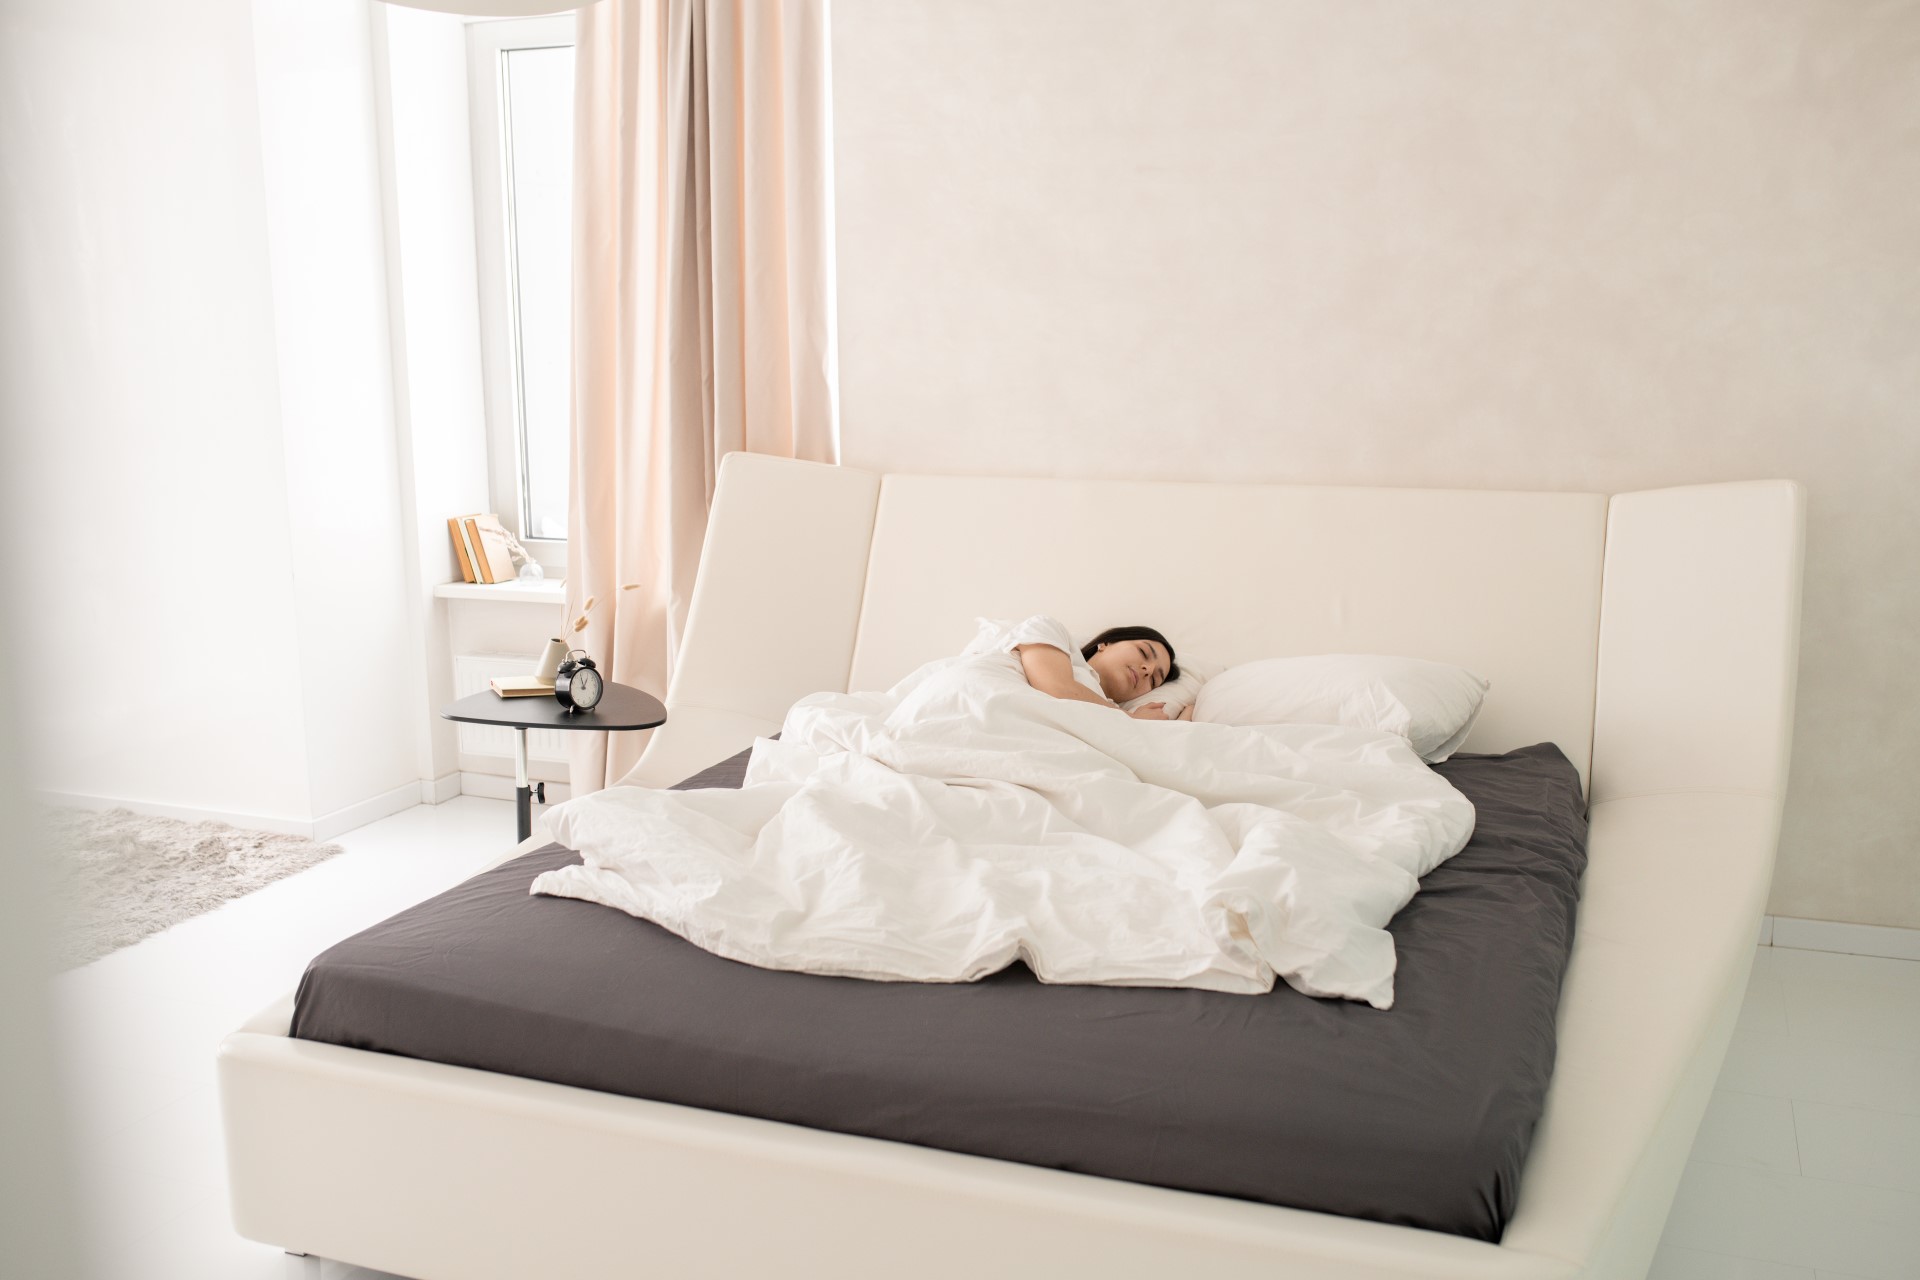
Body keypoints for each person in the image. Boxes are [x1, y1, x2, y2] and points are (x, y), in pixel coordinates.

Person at [969, 616, 1186, 720]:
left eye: (1155, 680)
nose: (1147, 669)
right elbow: (1056, 687)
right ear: (1106, 643)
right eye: (1144, 653)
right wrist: (1130, 719)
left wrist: (1189, 713)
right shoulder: (1051, 631)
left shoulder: (1110, 717)